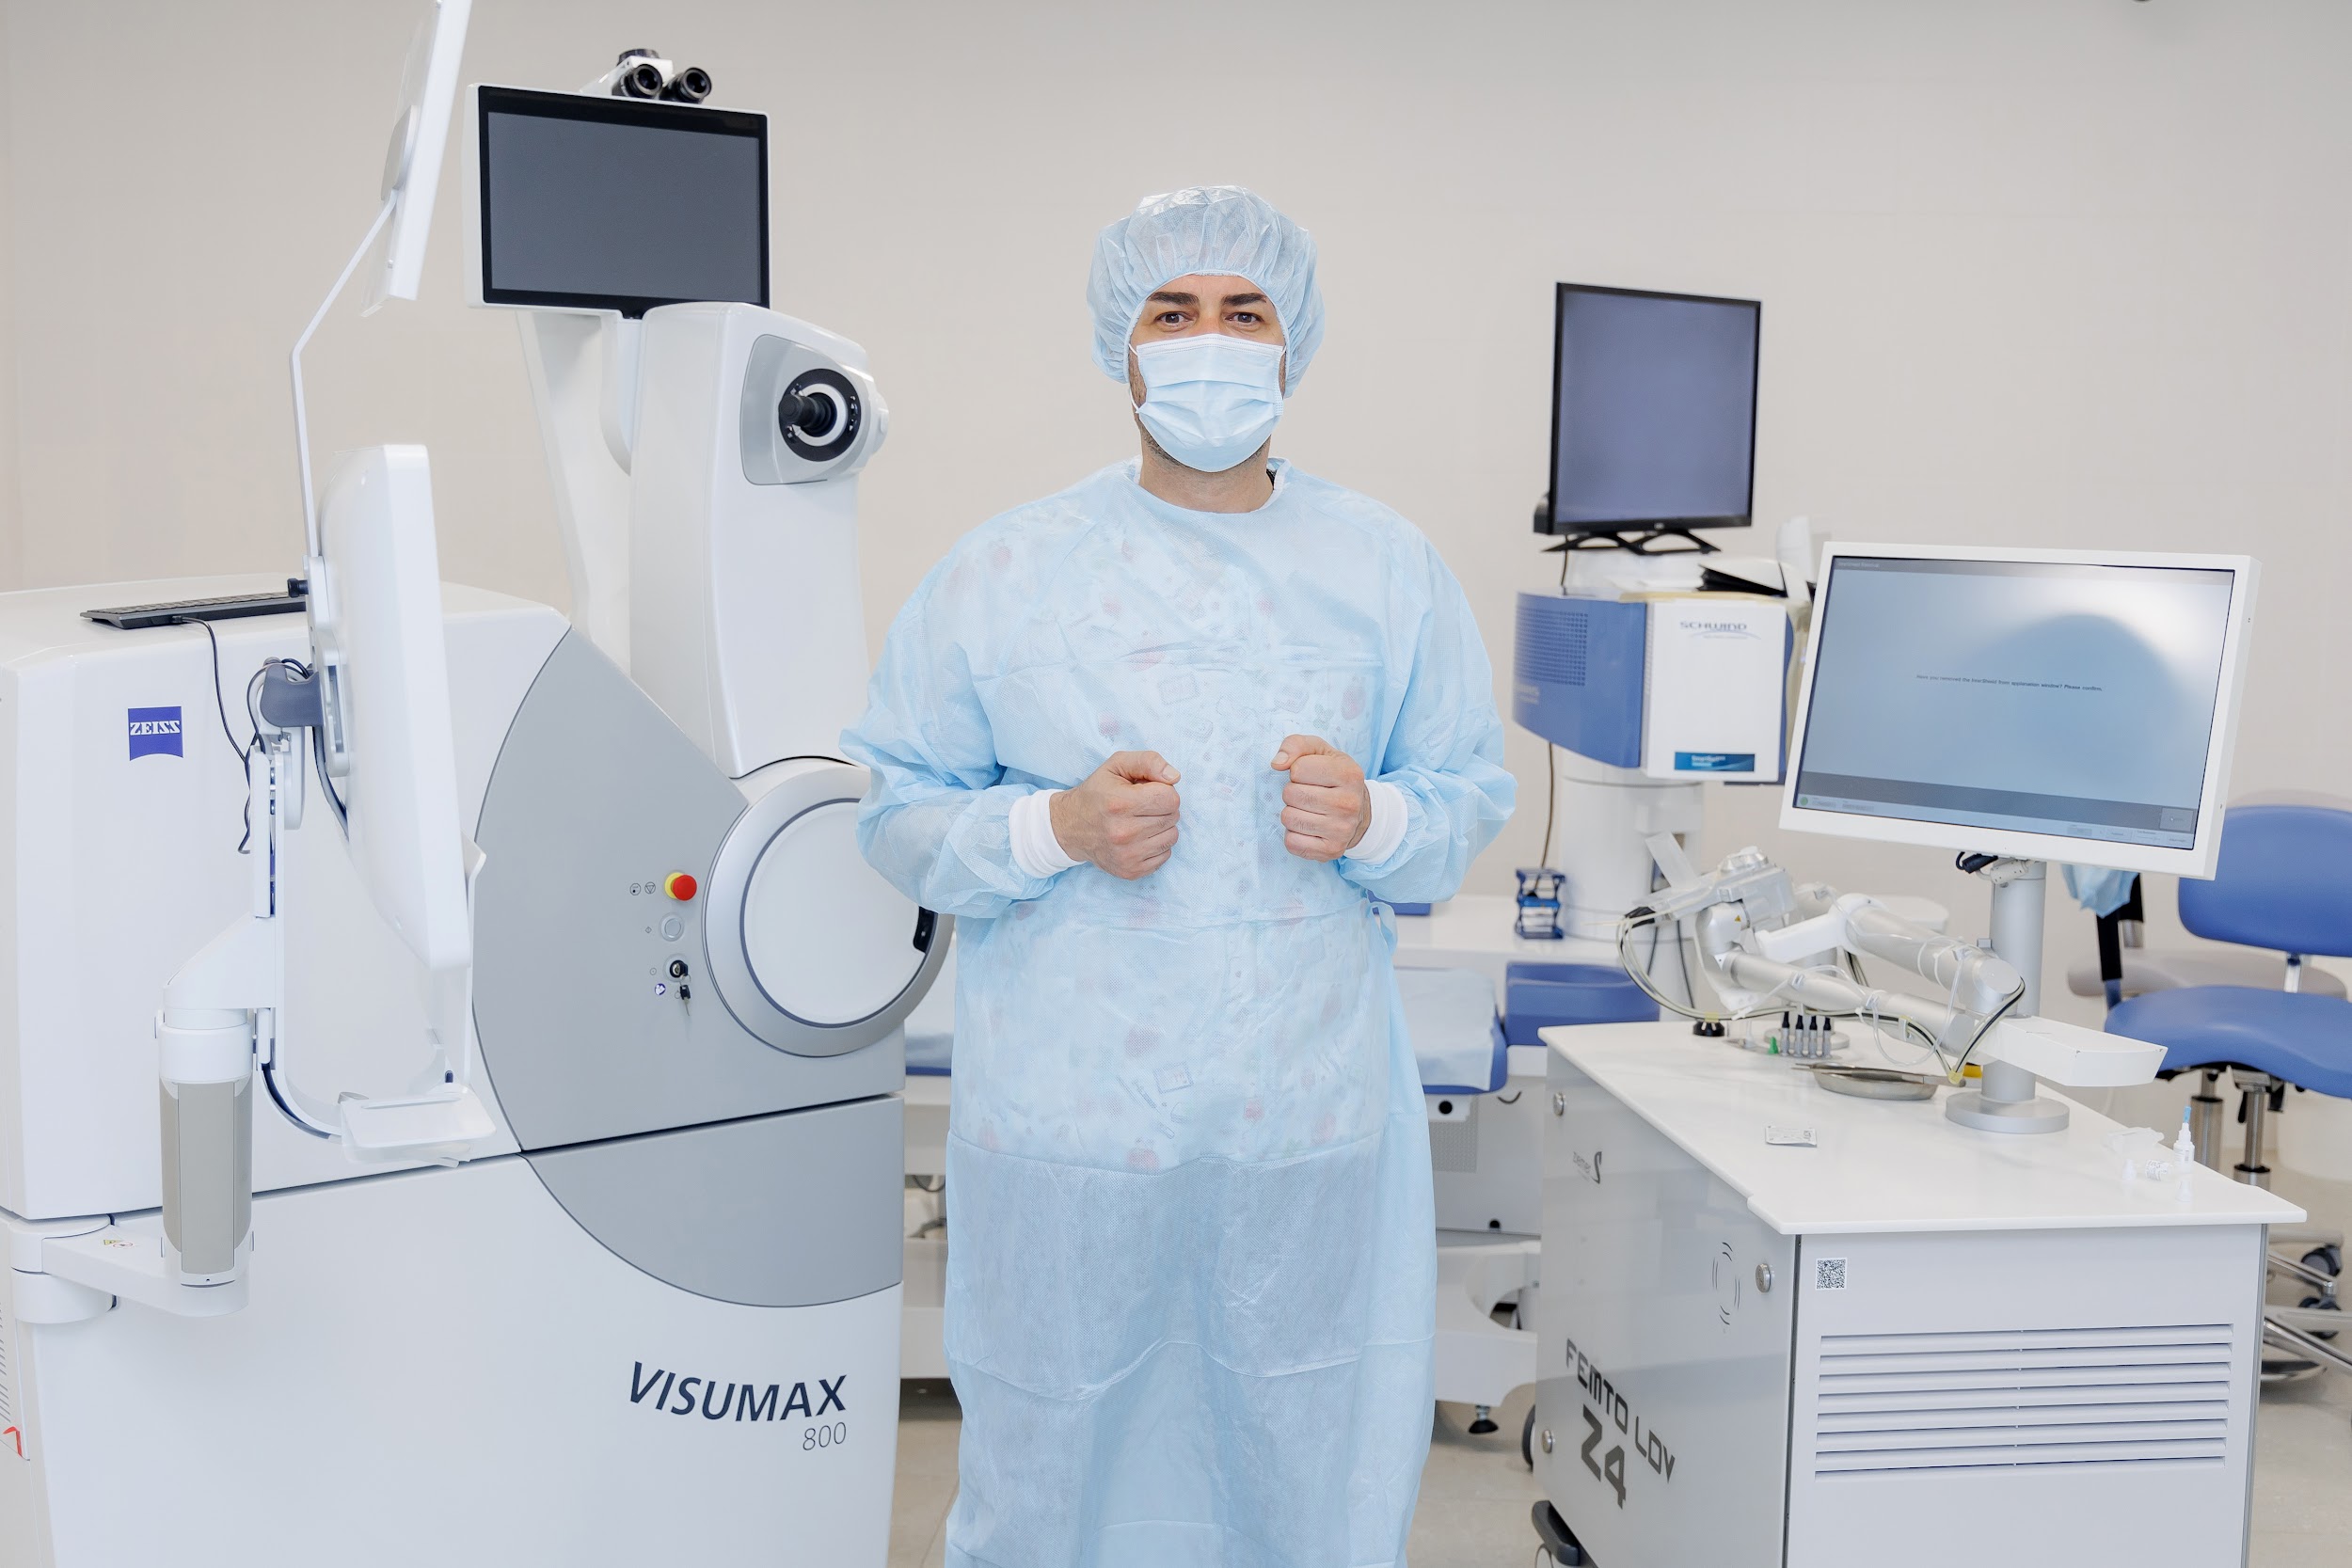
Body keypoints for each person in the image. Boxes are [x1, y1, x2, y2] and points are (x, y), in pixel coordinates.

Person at [845, 184, 1514, 1568]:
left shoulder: (1386, 570)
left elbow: (1463, 797)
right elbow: (898, 809)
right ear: (1125, 344)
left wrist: (1378, 815)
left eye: (1243, 311)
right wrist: (1056, 830)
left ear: (1290, 342)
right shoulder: (1006, 571)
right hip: (1076, 1138)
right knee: (1058, 1446)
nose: (1210, 338)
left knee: (1299, 1444)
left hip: (1301, 1128)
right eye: (1175, 309)